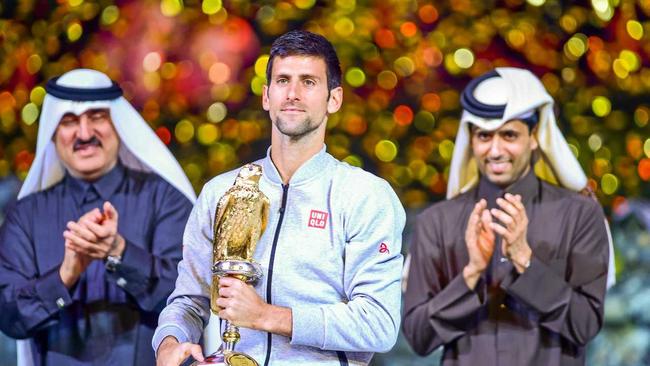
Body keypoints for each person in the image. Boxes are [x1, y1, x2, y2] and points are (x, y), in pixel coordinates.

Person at [153, 30, 406, 366]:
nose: (293, 93)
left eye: (309, 82)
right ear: (266, 96)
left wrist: (269, 316)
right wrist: (169, 342)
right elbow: (189, 299)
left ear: (334, 99)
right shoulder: (220, 192)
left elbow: (379, 324)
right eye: (283, 80)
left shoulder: (365, 196)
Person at [402, 67, 611, 365]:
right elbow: (419, 338)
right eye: (484, 136)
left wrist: (525, 259)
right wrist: (471, 273)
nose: (496, 150)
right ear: (471, 140)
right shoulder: (437, 222)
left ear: (535, 137)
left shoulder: (580, 214)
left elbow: (586, 325)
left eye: (509, 135)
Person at [0, 69, 196, 366]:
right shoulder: (26, 215)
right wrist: (65, 275)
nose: (84, 134)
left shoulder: (166, 199)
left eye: (96, 117)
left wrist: (120, 253)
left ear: (118, 124)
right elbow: (9, 317)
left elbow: (192, 298)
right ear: (53, 132)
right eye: (68, 121)